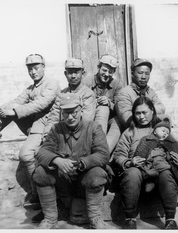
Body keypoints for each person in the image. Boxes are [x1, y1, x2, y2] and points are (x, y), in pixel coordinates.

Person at [115, 58, 178, 212]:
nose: (143, 76)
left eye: (147, 74)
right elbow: (127, 118)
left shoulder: (150, 91)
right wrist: (147, 111)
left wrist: (153, 114)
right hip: (135, 134)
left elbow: (162, 107)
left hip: (153, 132)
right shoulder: (124, 93)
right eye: (140, 73)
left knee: (173, 156)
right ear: (132, 73)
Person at [0, 54, 61, 206]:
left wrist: (15, 111)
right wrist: (2, 108)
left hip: (46, 127)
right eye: (30, 69)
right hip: (34, 125)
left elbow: (40, 104)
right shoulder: (31, 88)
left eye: (36, 68)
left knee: (25, 155)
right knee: (10, 109)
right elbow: (17, 101)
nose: (33, 72)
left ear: (44, 67)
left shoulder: (52, 84)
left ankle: (37, 193)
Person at [31, 57, 97, 223]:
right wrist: (48, 135)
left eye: (77, 72)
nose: (73, 75)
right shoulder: (61, 95)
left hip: (79, 141)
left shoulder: (88, 94)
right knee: (42, 165)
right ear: (65, 74)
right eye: (70, 72)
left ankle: (71, 206)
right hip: (60, 137)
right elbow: (54, 117)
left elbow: (84, 120)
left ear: (83, 73)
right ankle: (48, 209)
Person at [33, 93, 112, 229]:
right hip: (64, 182)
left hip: (85, 182)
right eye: (66, 113)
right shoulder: (56, 129)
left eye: (74, 112)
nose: (70, 117)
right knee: (40, 173)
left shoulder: (94, 127)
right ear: (62, 114)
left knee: (98, 173)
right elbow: (42, 152)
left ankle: (96, 219)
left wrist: (83, 163)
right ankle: (50, 220)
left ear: (81, 110)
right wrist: (57, 161)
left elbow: (103, 154)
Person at [112, 96, 178, 229]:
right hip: (138, 172)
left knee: (167, 173)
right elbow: (119, 155)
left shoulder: (161, 131)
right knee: (132, 173)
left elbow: (174, 148)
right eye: (137, 113)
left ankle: (170, 220)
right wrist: (130, 162)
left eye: (145, 112)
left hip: (158, 172)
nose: (141, 117)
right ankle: (130, 219)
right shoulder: (129, 132)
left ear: (152, 112)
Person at [82, 54, 124, 155]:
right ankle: (98, 148)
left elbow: (120, 107)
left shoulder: (117, 85)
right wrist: (95, 103)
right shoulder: (87, 82)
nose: (106, 74)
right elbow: (80, 103)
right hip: (90, 116)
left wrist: (109, 103)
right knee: (102, 108)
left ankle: (103, 153)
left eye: (110, 72)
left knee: (117, 122)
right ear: (98, 68)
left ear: (114, 72)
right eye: (104, 70)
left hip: (110, 118)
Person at [133, 117, 178, 193]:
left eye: (167, 133)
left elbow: (174, 154)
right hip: (149, 162)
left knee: (162, 164)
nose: (165, 133)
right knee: (154, 164)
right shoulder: (147, 139)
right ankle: (151, 180)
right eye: (163, 131)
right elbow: (141, 151)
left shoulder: (169, 142)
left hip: (163, 163)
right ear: (154, 131)